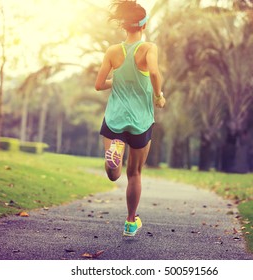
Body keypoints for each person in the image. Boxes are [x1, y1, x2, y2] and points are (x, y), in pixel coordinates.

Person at [95, 0, 166, 237]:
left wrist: (117, 80)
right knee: (134, 173)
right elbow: (154, 72)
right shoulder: (148, 48)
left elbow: (98, 85)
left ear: (124, 26)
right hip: (140, 120)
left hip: (114, 118)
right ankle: (130, 222)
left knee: (113, 173)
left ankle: (114, 154)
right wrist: (158, 95)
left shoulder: (113, 51)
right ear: (144, 25)